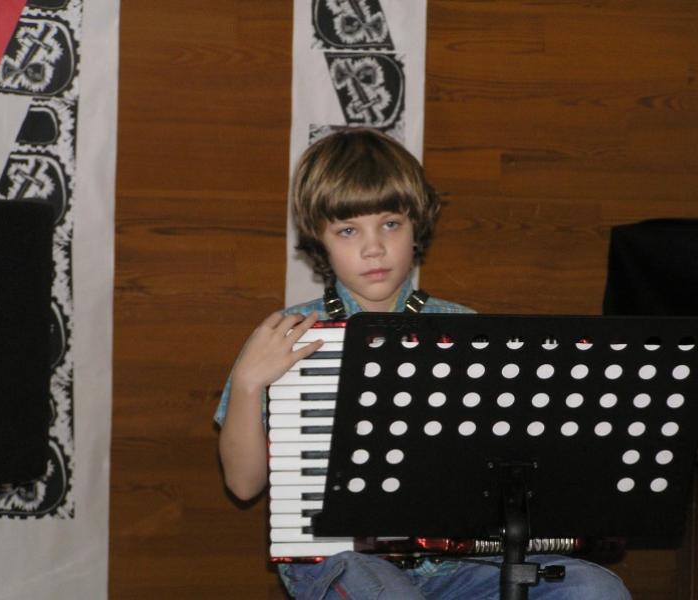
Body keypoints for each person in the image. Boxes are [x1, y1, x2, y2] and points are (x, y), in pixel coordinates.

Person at [215, 127, 631, 599]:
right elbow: (243, 484)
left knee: (594, 589)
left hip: (462, 564)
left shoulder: (465, 327)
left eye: (390, 224)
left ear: (417, 224)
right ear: (319, 239)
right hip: (339, 560)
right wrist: (248, 383)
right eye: (348, 230)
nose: (373, 247)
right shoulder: (288, 335)